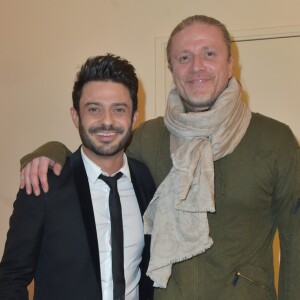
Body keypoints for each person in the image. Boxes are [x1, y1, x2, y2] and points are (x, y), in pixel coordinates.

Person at [17, 15, 300, 300]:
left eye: (209, 54)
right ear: (171, 68)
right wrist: (49, 152)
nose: (197, 67)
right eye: (184, 57)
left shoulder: (275, 141)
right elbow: (97, 153)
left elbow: (296, 244)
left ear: (230, 63)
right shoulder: (149, 137)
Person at [0, 54, 156, 300]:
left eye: (118, 109)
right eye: (94, 109)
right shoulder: (43, 185)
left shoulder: (146, 179)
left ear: (134, 117)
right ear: (75, 116)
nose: (107, 121)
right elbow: (11, 278)